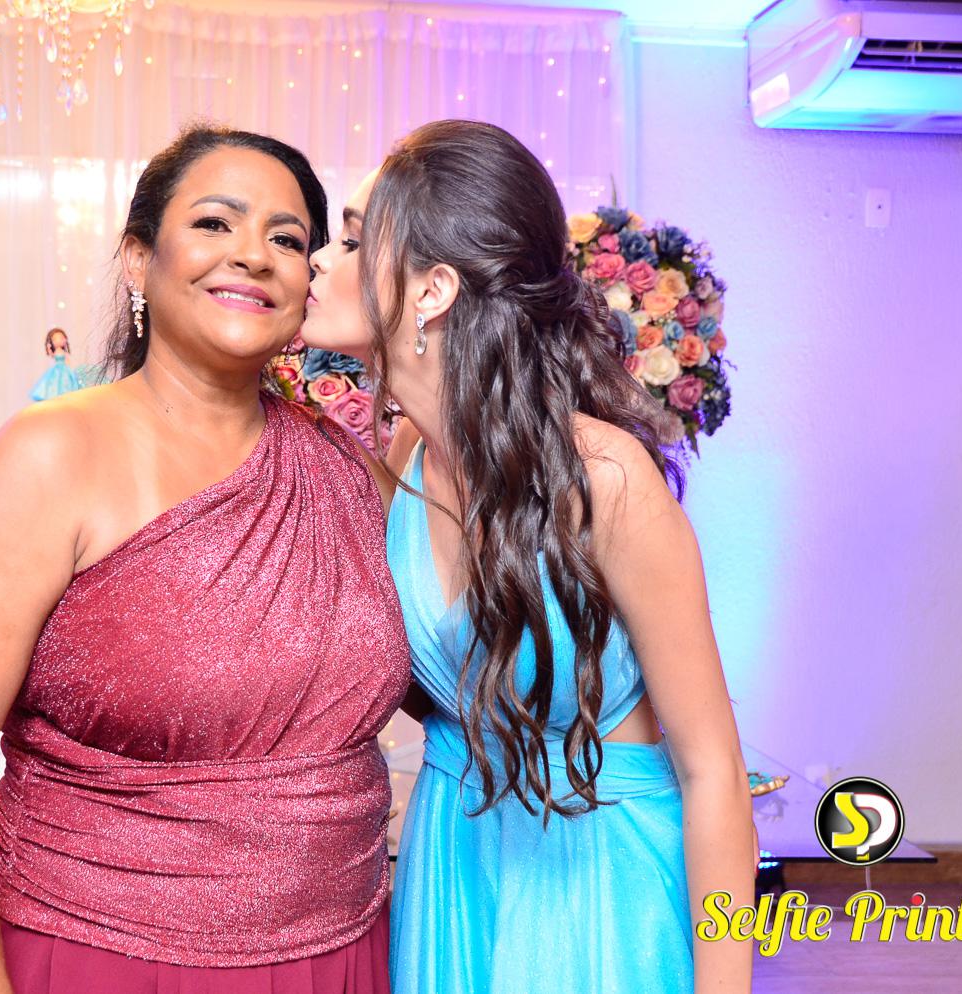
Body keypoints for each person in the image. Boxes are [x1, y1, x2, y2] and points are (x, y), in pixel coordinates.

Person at [0, 125, 410, 994]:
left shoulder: (351, 470)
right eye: (214, 224)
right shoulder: (48, 457)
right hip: (103, 958)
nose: (254, 255)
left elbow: (460, 675)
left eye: (286, 239)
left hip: (344, 955)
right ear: (138, 261)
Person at [301, 119, 756, 993]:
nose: (320, 259)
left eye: (353, 240)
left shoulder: (603, 479)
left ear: (433, 289)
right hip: (454, 862)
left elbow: (715, 773)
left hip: (597, 885)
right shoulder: (405, 458)